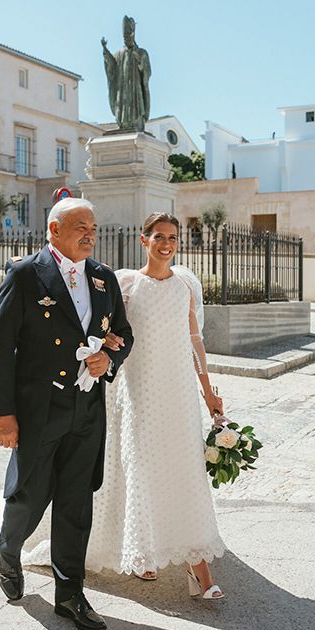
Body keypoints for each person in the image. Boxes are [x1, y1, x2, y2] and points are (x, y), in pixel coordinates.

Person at [0, 197, 133, 630]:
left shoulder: (104, 279)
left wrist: (110, 361)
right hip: (39, 409)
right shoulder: (26, 274)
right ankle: (9, 550)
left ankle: (70, 593)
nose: (90, 234)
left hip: (87, 408)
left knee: (75, 503)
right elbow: (0, 348)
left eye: (93, 227)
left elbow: (122, 333)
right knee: (29, 495)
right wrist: (3, 414)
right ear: (53, 231)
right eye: (79, 227)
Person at [86, 212, 226, 599]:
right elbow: (106, 330)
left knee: (184, 468)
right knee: (142, 466)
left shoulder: (184, 286)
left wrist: (208, 393)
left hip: (179, 391)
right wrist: (108, 345)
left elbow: (195, 343)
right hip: (140, 388)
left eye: (173, 237)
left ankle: (199, 569)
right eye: (159, 236)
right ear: (144, 240)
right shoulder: (126, 284)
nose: (167, 243)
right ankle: (142, 551)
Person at [101, 15, 151, 132]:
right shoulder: (119, 53)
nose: (126, 38)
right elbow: (112, 67)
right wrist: (106, 52)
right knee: (122, 105)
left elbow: (147, 72)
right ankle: (123, 124)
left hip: (135, 89)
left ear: (133, 35)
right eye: (124, 36)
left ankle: (136, 123)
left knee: (135, 107)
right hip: (122, 88)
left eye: (128, 35)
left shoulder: (141, 52)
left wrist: (140, 62)